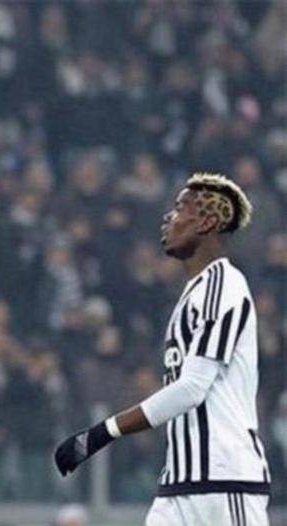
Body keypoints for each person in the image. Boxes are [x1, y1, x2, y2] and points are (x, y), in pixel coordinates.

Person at [54, 172, 267, 525]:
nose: (169, 217)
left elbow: (192, 388)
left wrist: (102, 433)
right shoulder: (193, 292)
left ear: (207, 222)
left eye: (180, 208)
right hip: (178, 486)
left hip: (226, 482)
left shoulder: (224, 285)